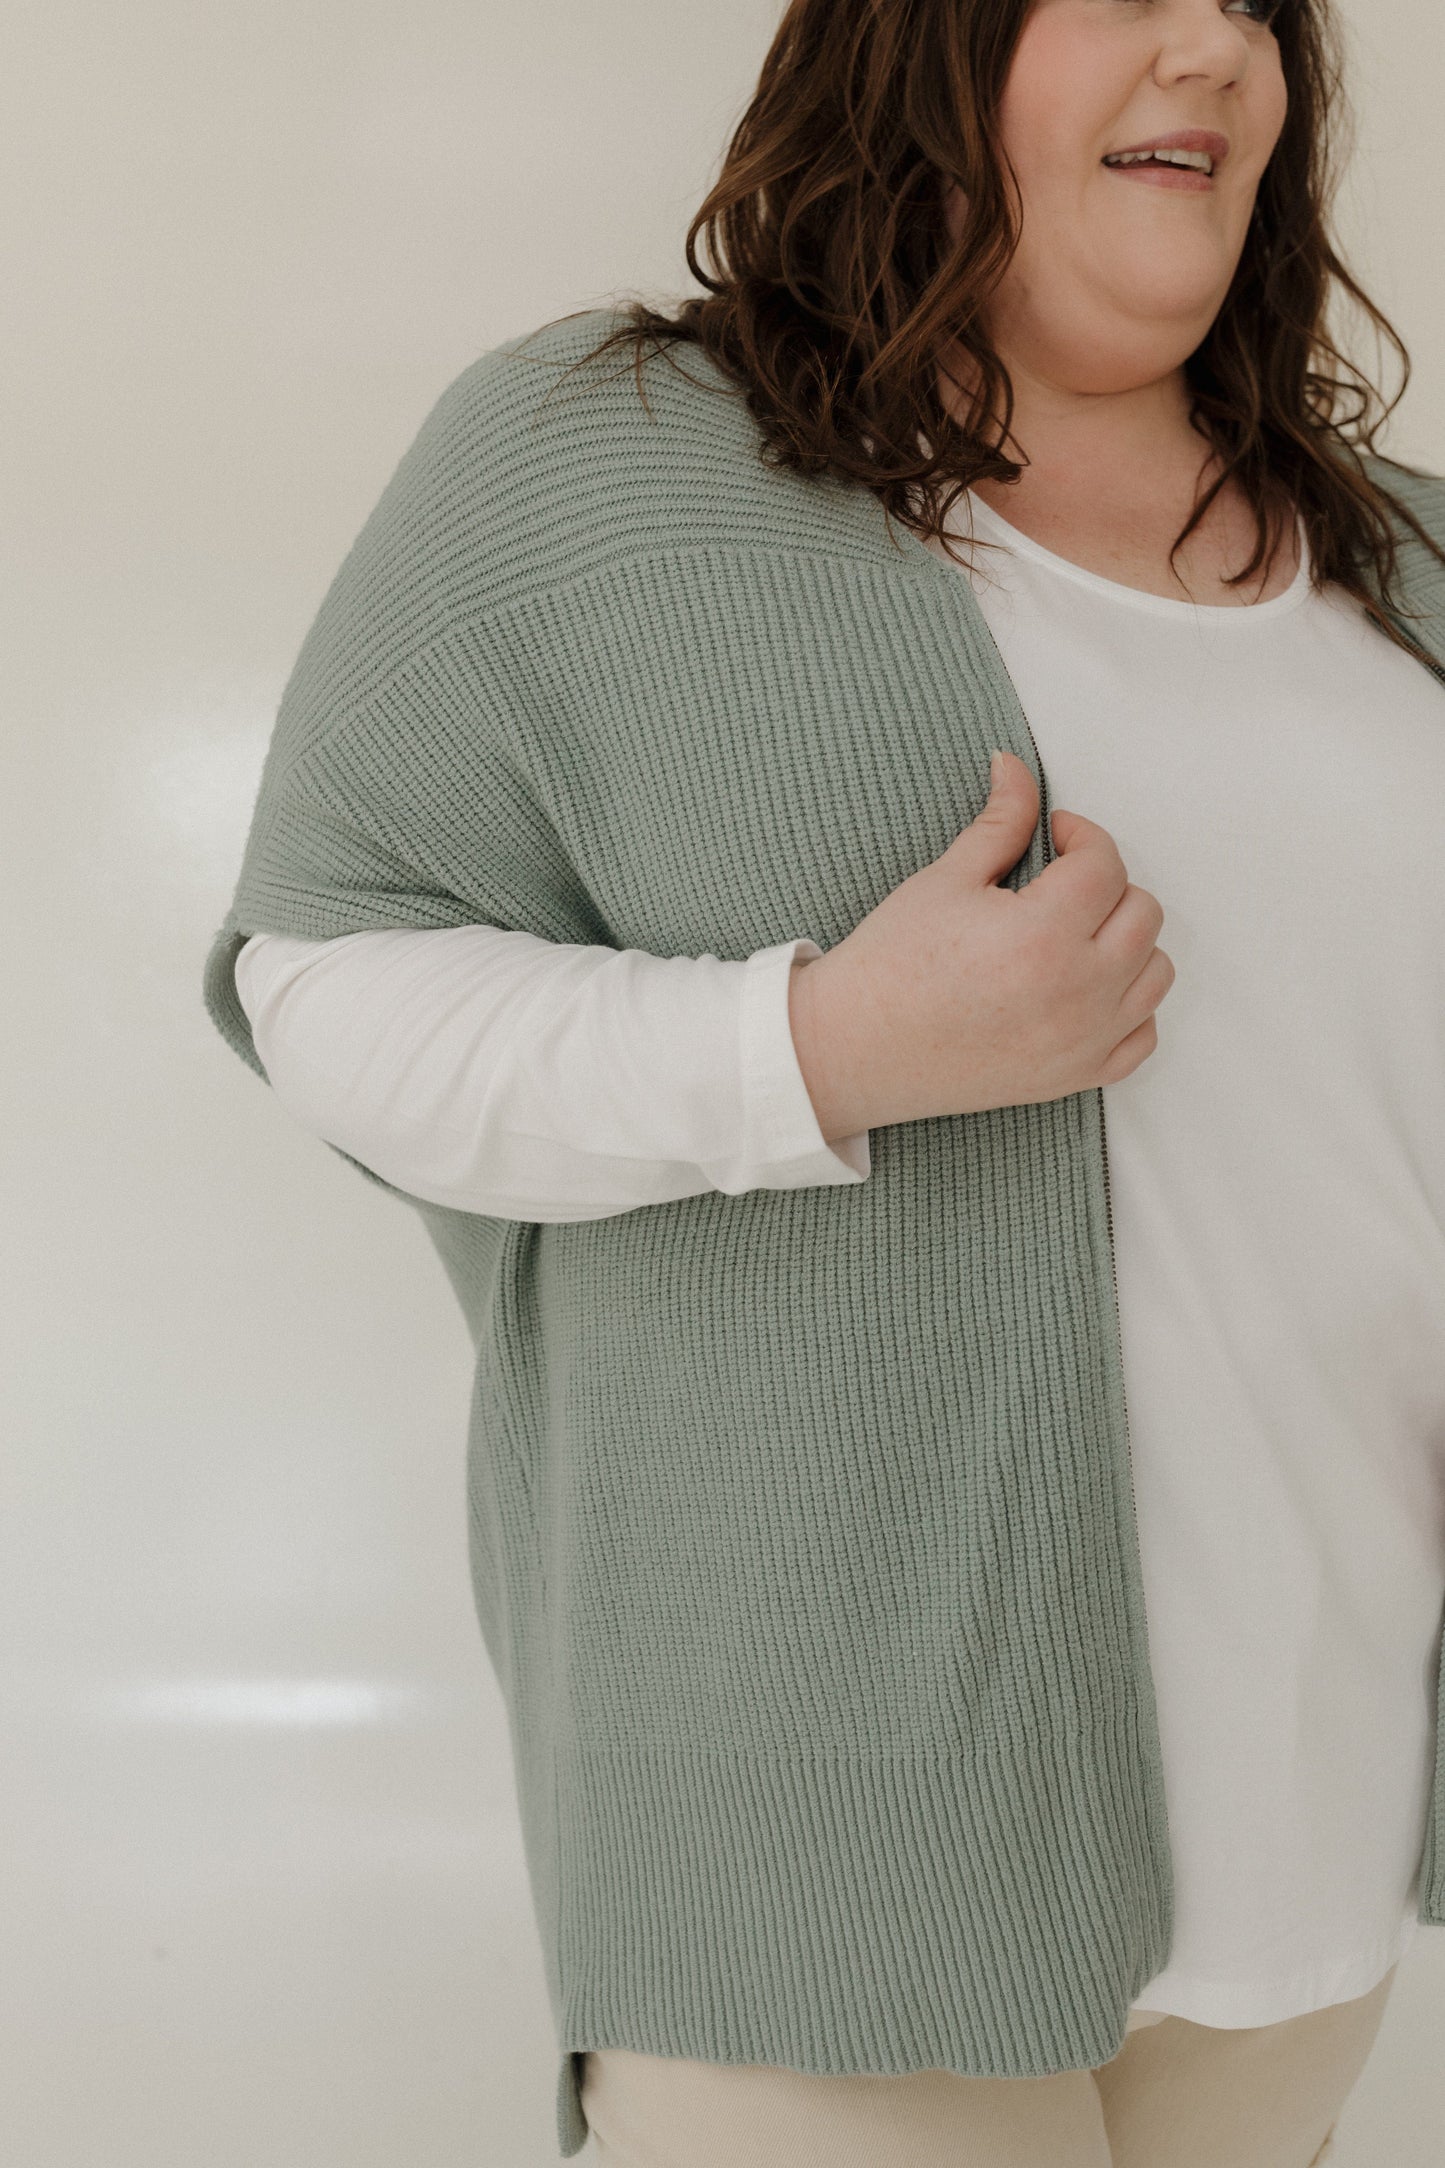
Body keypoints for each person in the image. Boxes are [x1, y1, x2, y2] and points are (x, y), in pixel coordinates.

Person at [203, 0, 1445, 2161]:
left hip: (1317, 1851)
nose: (1211, 46)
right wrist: (823, 1047)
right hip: (815, 1867)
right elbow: (329, 985)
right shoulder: (603, 455)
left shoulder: (1404, 563)